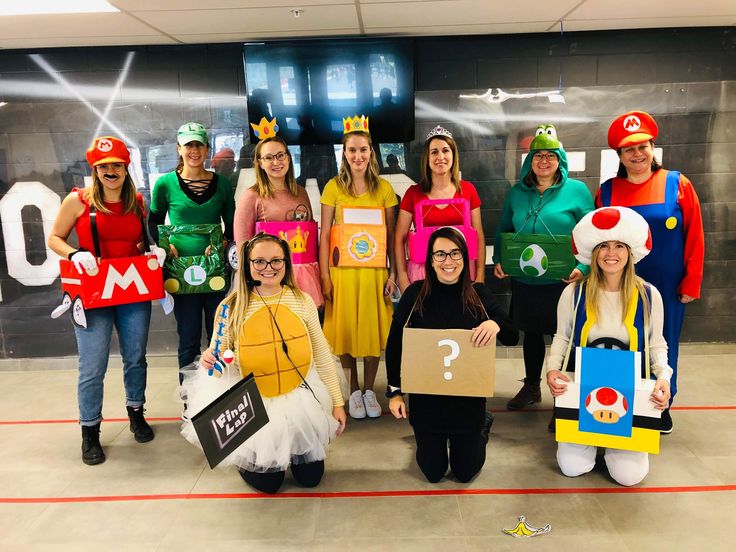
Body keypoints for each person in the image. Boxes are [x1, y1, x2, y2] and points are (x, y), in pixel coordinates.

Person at [182, 233, 346, 494]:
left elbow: (322, 354)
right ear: (246, 265)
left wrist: (337, 402)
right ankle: (249, 455)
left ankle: (291, 449)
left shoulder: (302, 300)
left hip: (298, 391)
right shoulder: (232, 306)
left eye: (276, 261)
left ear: (286, 263)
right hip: (257, 398)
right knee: (269, 484)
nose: (268, 268)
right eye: (259, 261)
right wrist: (209, 358)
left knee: (311, 478)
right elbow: (218, 357)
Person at [48, 136, 166, 465]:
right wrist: (75, 253)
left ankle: (136, 412)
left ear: (126, 169)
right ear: (95, 169)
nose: (110, 171)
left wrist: (152, 251)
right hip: (92, 293)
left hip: (131, 292)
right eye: (103, 166)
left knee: (136, 358)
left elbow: (140, 242)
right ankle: (90, 431)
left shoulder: (137, 202)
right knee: (92, 366)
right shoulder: (78, 201)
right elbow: (54, 238)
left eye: (116, 165)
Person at [546, 206, 672, 486]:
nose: (610, 253)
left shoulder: (649, 295)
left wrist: (663, 378)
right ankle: (591, 441)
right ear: (593, 252)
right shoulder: (574, 293)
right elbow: (562, 338)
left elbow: (657, 346)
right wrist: (552, 370)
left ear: (630, 252)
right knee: (572, 467)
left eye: (618, 246)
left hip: (628, 394)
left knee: (629, 476)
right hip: (583, 391)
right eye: (603, 245)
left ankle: (610, 443)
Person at [596, 111, 704, 433]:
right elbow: (597, 239)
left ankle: (662, 404)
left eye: (643, 146)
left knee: (664, 343)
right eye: (629, 149)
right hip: (618, 283)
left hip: (667, 285)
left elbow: (695, 235)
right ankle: (621, 400)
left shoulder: (677, 184)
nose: (637, 154)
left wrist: (692, 280)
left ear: (652, 147)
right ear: (619, 155)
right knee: (622, 338)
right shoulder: (607, 191)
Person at [386, 227, 518, 483]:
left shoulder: (478, 294)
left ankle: (482, 426)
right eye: (440, 254)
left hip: (467, 403)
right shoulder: (414, 295)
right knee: (433, 473)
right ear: (431, 260)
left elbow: (512, 335)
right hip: (427, 402)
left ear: (465, 256)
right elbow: (395, 345)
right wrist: (395, 392)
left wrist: (496, 323)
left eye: (455, 253)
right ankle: (429, 441)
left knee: (465, 472)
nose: (448, 261)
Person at [493, 125, 594, 411]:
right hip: (527, 280)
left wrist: (583, 267)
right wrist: (500, 258)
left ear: (560, 159)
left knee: (564, 336)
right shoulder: (517, 193)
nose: (544, 161)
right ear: (530, 160)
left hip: (564, 280)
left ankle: (564, 399)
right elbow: (503, 227)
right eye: (538, 155)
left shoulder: (577, 191)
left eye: (551, 155)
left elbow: (591, 232)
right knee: (532, 333)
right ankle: (531, 386)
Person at [319, 115, 398, 420]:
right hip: (342, 274)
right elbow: (325, 235)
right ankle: (352, 390)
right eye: (352, 150)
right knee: (347, 332)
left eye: (363, 150)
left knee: (372, 331)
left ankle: (369, 390)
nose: (358, 156)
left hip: (374, 272)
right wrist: (325, 276)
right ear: (344, 154)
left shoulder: (384, 190)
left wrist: (392, 273)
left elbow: (391, 237)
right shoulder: (333, 188)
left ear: (371, 152)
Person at [149, 122, 235, 379]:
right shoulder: (165, 183)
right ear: (179, 148)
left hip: (214, 270)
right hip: (181, 273)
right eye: (188, 145)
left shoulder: (222, 183)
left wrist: (224, 242)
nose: (194, 150)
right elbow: (153, 222)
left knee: (219, 335)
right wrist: (165, 246)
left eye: (199, 144)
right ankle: (189, 400)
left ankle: (218, 395)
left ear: (207, 148)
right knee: (188, 337)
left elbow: (231, 224)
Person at [233, 125, 322, 307]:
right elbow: (243, 246)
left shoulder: (301, 193)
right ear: (260, 163)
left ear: (288, 158)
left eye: (280, 155)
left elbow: (310, 236)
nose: (276, 162)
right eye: (269, 157)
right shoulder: (252, 196)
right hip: (268, 277)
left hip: (301, 277)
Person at [395, 126, 485, 290]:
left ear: (453, 155)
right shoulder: (413, 193)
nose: (440, 157)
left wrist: (480, 275)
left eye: (445, 150)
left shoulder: (468, 190)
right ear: (427, 158)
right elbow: (399, 238)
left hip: (462, 273)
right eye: (434, 152)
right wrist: (402, 277)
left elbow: (478, 234)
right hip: (423, 274)